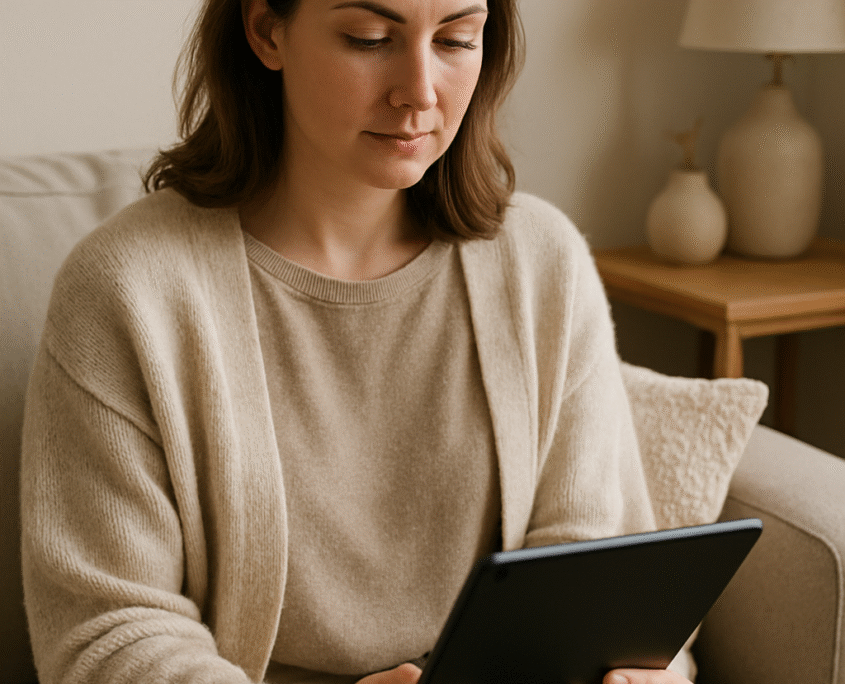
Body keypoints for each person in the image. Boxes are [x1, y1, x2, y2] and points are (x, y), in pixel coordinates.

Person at [19, 1, 694, 683]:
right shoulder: (125, 290)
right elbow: (105, 633)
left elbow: (594, 560)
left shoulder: (541, 262)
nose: (420, 91)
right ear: (265, 30)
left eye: (457, 39)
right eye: (369, 39)